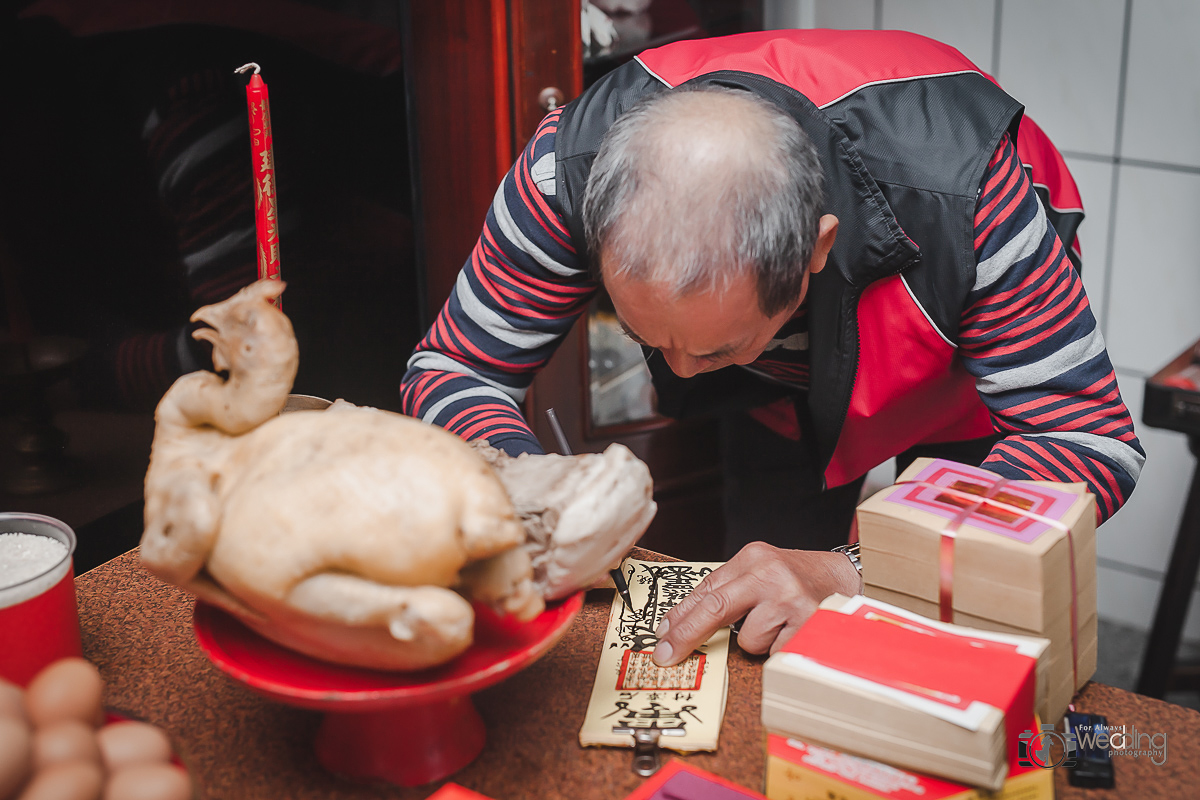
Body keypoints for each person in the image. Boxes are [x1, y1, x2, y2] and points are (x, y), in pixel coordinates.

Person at [399, 29, 1144, 666]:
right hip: (778, 390)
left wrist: (856, 571)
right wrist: (530, 493)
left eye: (718, 348)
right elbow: (454, 366)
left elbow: (1084, 440)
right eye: (649, 338)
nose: (680, 373)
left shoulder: (970, 199)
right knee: (754, 608)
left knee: (949, 627)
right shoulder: (562, 176)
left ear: (816, 250)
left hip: (958, 367)